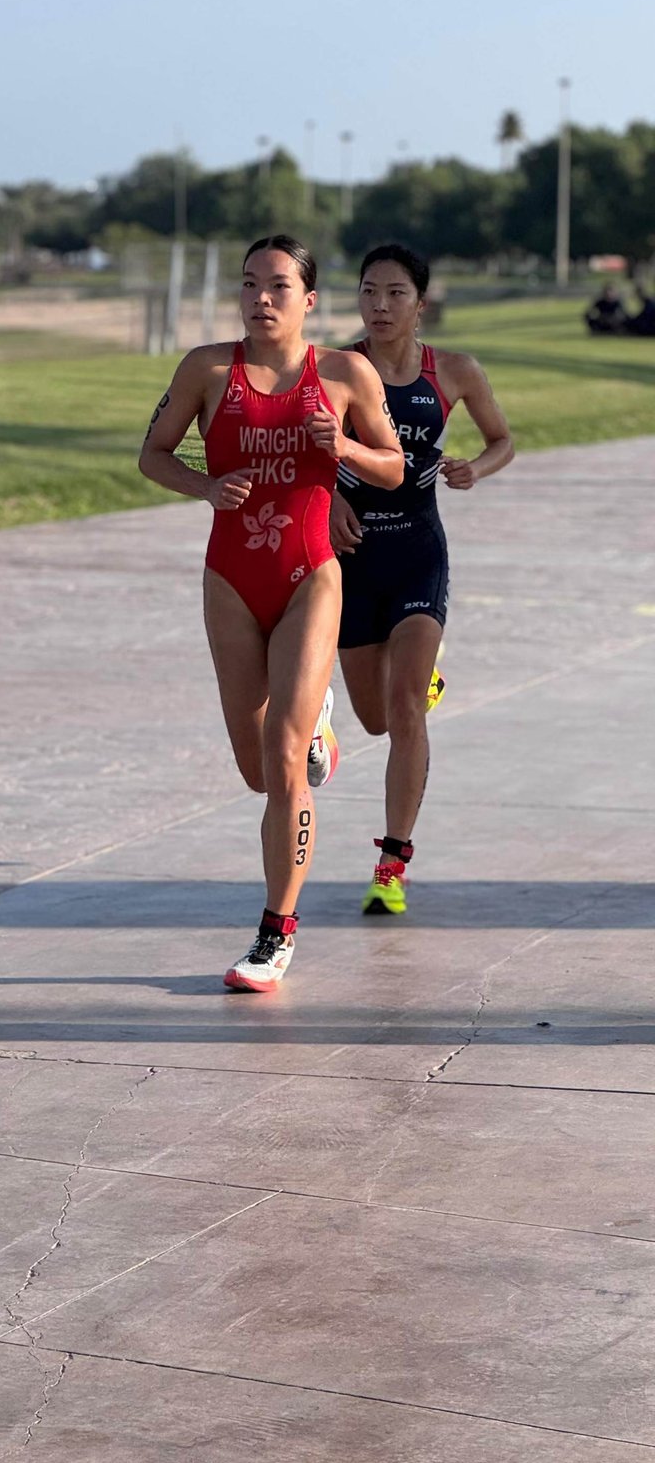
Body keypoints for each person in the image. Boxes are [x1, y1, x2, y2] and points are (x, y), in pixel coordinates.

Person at [140, 235, 403, 989]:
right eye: (250, 283)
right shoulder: (205, 368)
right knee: (256, 770)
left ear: (309, 301)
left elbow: (394, 469)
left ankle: (274, 933)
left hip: (309, 572)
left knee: (286, 763)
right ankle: (316, 721)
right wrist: (205, 487)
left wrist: (344, 446)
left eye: (279, 286)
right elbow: (152, 453)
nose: (260, 297)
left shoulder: (345, 373)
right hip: (231, 577)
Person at [330, 243, 514, 915]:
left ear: (421, 303)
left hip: (417, 551)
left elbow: (503, 439)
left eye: (396, 293)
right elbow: (301, 450)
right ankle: (419, 680)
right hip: (351, 557)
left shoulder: (455, 371)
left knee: (405, 708)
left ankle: (391, 864)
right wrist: (327, 499)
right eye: (369, 292)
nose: (379, 306)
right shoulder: (332, 369)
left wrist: (475, 468)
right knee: (375, 719)